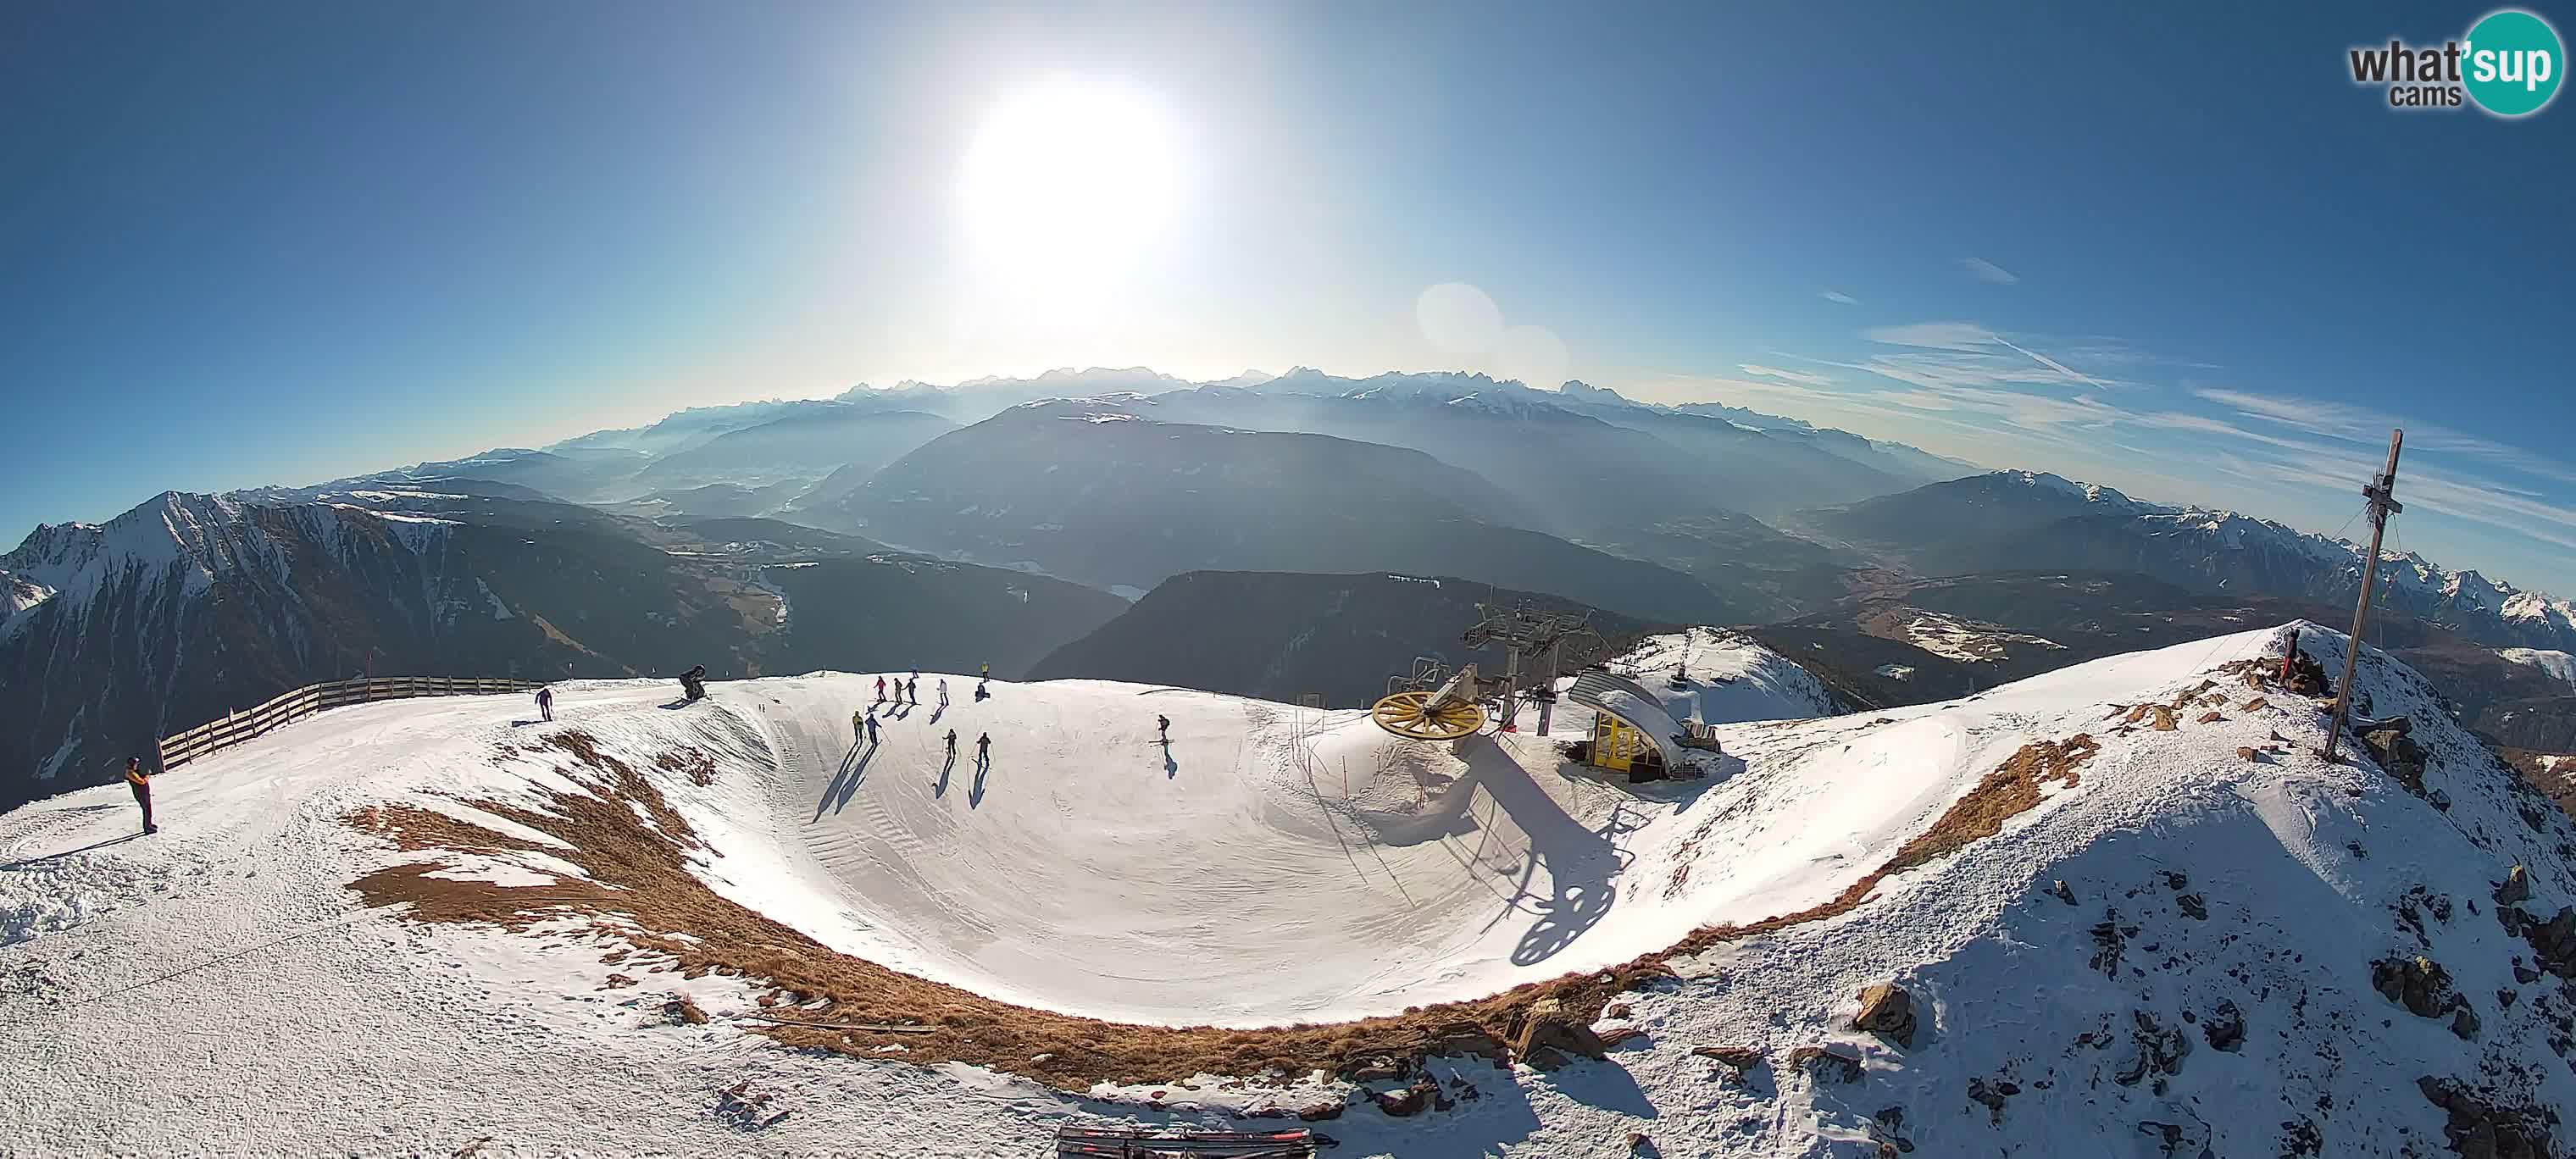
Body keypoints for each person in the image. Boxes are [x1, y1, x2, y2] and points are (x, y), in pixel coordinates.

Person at [125, 757, 158, 835]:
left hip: (143, 793)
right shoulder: (131, 773)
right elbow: (141, 782)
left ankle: (149, 824)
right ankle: (147, 828)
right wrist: (148, 775)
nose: (137, 766)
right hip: (141, 794)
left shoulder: (133, 771)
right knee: (146, 810)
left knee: (148, 809)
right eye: (136, 764)